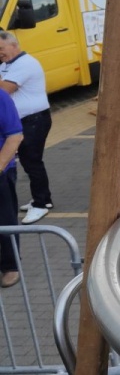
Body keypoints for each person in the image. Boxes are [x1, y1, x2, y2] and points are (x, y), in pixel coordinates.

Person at [0, 32, 53, 224]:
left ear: (14, 45)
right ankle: (41, 198)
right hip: (24, 120)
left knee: (32, 161)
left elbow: (4, 90)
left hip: (34, 120)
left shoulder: (25, 63)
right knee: (27, 160)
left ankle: (41, 203)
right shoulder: (7, 64)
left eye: (1, 49)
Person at [0, 89, 23, 288]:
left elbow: (15, 136)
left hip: (2, 171)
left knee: (5, 219)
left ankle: (11, 266)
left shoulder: (1, 97)